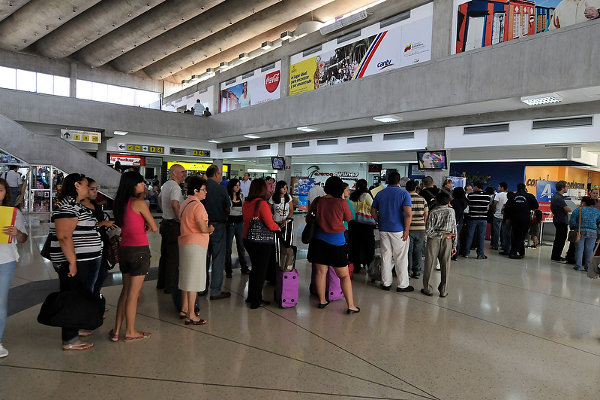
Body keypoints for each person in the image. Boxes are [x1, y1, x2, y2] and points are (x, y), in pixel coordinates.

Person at [49, 173, 102, 351]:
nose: (89, 189)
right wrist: (72, 261)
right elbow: (64, 236)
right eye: (87, 185)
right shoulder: (67, 206)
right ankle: (69, 340)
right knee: (72, 297)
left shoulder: (76, 205)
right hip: (75, 261)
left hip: (85, 259)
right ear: (77, 185)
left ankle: (74, 328)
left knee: (79, 295)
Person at [111, 171, 158, 342]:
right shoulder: (139, 203)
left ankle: (116, 330)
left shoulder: (119, 203)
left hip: (124, 250)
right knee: (133, 294)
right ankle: (130, 331)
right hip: (139, 250)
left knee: (125, 290)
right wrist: (145, 226)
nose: (143, 185)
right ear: (133, 185)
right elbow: (154, 226)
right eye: (140, 183)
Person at [307, 176, 360, 313]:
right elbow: (349, 218)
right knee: (343, 275)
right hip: (336, 242)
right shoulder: (341, 203)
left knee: (320, 272)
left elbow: (308, 217)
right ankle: (351, 306)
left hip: (318, 241)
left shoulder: (318, 201)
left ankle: (322, 301)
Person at [178, 176, 214, 325]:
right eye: (203, 190)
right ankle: (191, 315)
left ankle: (185, 308)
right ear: (195, 190)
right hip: (196, 246)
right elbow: (202, 227)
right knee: (194, 281)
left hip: (185, 243)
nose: (205, 192)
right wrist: (210, 229)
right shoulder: (198, 206)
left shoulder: (185, 203)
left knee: (186, 278)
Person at [370, 172, 414, 292]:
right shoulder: (404, 194)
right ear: (399, 181)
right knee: (400, 257)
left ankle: (386, 283)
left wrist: (379, 221)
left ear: (387, 181)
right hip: (398, 230)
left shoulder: (380, 193)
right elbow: (408, 214)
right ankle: (402, 285)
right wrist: (406, 230)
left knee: (386, 256)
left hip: (384, 229)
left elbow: (373, 211)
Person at [0, 178, 28, 358]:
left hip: (6, 260)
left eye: (0, 190)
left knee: (0, 303)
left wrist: (17, 233)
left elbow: (24, 239)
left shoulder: (13, 213)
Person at [242, 179, 280, 309]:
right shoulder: (262, 204)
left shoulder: (246, 202)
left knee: (255, 269)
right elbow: (269, 223)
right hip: (261, 241)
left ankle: (251, 297)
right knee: (260, 271)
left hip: (247, 238)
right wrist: (278, 227)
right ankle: (256, 301)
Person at [80, 178, 115, 296]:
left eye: (96, 189)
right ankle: (90, 303)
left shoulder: (95, 205)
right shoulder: (79, 207)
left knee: (102, 273)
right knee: (90, 277)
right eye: (92, 189)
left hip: (101, 244)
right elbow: (82, 228)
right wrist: (103, 224)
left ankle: (95, 298)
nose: (96, 192)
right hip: (88, 247)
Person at [157, 164, 186, 306]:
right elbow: (175, 204)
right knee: (173, 258)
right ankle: (170, 286)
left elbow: (159, 200)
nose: (184, 175)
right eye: (182, 172)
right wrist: (179, 218)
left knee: (165, 255)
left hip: (165, 223)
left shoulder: (166, 185)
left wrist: (165, 213)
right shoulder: (175, 186)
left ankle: (161, 283)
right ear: (174, 173)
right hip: (173, 226)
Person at [203, 165, 231, 300]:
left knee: (204, 258)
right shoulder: (221, 189)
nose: (220, 176)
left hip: (202, 227)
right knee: (218, 258)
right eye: (220, 174)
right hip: (218, 226)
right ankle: (215, 291)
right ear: (215, 174)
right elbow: (227, 207)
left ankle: (201, 288)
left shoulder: (201, 188)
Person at [421, 191, 456, 297]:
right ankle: (443, 290)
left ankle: (428, 289)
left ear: (436, 201)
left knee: (429, 264)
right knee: (445, 265)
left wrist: (442, 235)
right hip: (448, 239)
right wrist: (454, 245)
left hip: (434, 240)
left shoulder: (433, 212)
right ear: (448, 201)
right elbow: (454, 229)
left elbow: (428, 231)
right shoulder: (452, 211)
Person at [504, 183, 539, 259]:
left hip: (514, 218)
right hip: (525, 218)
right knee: (521, 236)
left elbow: (507, 208)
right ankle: (513, 253)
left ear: (517, 188)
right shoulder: (530, 196)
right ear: (525, 188)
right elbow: (536, 206)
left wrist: (508, 218)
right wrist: (528, 207)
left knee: (515, 235)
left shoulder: (513, 196)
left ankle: (521, 252)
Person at [348, 179, 376, 273]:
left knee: (355, 245)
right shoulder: (366, 195)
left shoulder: (352, 195)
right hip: (365, 224)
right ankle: (369, 266)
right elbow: (373, 206)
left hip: (353, 223)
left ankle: (355, 267)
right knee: (369, 246)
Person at [225, 178, 249, 278]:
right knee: (228, 248)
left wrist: (236, 211)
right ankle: (228, 270)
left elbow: (243, 210)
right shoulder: (227, 197)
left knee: (241, 246)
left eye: (239, 185)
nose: (238, 187)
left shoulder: (241, 196)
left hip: (240, 223)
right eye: (236, 185)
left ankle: (244, 267)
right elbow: (227, 210)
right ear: (232, 186)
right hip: (230, 223)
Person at [570, 196, 600, 271]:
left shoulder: (578, 210)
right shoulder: (597, 211)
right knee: (590, 250)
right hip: (593, 232)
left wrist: (572, 227)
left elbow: (572, 221)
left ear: (583, 202)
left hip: (580, 231)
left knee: (579, 249)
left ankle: (578, 266)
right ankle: (588, 266)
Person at [406, 180, 428, 279]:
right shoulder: (422, 199)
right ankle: (417, 271)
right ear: (415, 188)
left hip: (408, 228)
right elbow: (426, 214)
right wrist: (423, 222)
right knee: (418, 251)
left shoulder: (405, 198)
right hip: (420, 228)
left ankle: (408, 270)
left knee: (409, 250)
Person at [463, 181, 491, 259]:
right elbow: (488, 205)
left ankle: (466, 253)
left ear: (476, 187)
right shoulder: (487, 196)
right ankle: (480, 254)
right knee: (481, 237)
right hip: (483, 219)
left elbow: (468, 204)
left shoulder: (470, 195)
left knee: (469, 235)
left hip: (472, 218)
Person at [551, 180, 572, 262]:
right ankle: (556, 256)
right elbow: (568, 209)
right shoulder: (559, 198)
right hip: (561, 221)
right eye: (566, 186)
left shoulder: (557, 197)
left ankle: (555, 255)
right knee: (561, 239)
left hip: (558, 219)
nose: (567, 188)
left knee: (558, 239)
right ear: (562, 188)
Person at [450, 187, 468, 261]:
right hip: (460, 221)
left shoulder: (455, 202)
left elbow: (455, 213)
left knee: (453, 238)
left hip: (455, 221)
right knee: (457, 238)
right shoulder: (464, 201)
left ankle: (453, 254)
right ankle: (456, 255)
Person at [491, 182, 509, 251]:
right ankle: (503, 245)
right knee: (504, 232)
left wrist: (493, 211)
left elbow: (495, 203)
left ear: (502, 187)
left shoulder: (498, 195)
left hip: (497, 215)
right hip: (504, 216)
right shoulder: (508, 195)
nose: (498, 188)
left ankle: (495, 245)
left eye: (499, 186)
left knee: (496, 231)